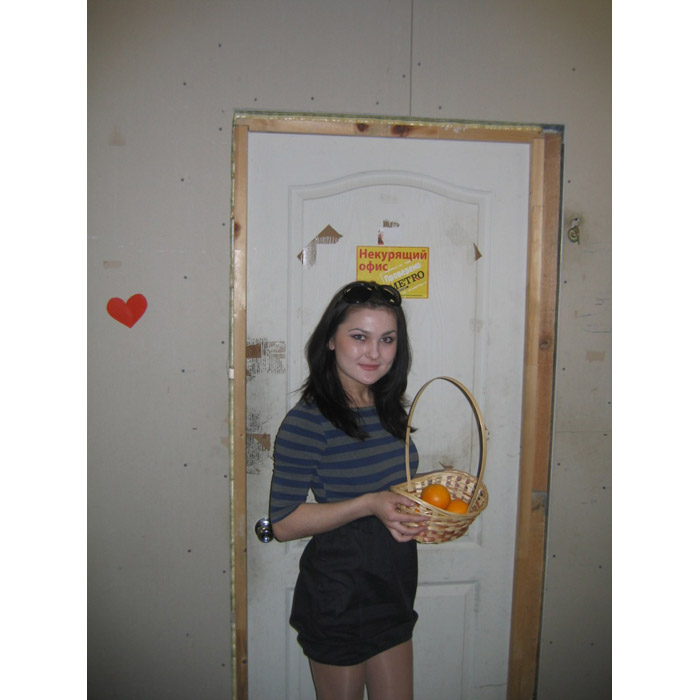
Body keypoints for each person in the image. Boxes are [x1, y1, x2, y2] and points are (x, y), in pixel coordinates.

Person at [269, 280, 428, 700]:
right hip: (339, 592)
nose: (374, 352)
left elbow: (389, 491)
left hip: (392, 585)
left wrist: (419, 509)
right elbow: (283, 523)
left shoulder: (386, 408)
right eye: (359, 337)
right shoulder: (308, 422)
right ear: (331, 341)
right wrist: (369, 504)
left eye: (387, 339)